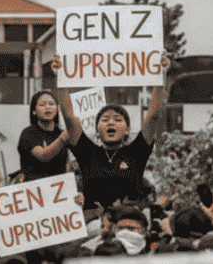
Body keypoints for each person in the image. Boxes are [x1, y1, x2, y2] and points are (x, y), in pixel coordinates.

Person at [53, 55, 171, 212]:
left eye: (117, 119)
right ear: (97, 130)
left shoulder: (136, 152)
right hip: (94, 223)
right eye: (105, 120)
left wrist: (161, 75)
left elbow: (154, 114)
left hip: (129, 223)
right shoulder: (87, 152)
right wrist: (60, 76)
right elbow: (68, 116)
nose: (110, 122)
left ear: (127, 130)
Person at [15, 90, 70, 182]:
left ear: (56, 109)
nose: (47, 107)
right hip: (34, 191)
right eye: (42, 105)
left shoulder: (61, 133)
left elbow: (67, 165)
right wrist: (62, 139)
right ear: (34, 111)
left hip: (59, 190)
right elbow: (43, 155)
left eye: (51, 104)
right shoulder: (28, 133)